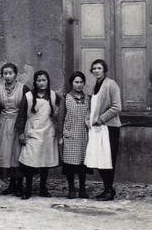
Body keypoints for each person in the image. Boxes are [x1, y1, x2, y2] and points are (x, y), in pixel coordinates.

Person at [17, 70, 60, 199]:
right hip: (32, 132)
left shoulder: (53, 96)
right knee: (30, 162)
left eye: (44, 80)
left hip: (47, 132)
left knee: (44, 162)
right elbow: (21, 116)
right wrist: (20, 133)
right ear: (35, 82)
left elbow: (61, 111)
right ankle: (28, 189)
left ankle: (43, 188)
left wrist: (57, 118)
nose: (41, 83)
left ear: (48, 81)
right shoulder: (28, 96)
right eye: (39, 80)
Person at [84, 59, 122, 201]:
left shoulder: (111, 84)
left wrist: (101, 119)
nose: (96, 70)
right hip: (96, 129)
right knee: (99, 159)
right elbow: (91, 107)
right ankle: (108, 189)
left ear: (104, 70)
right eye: (94, 68)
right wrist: (88, 119)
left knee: (108, 159)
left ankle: (108, 190)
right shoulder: (95, 86)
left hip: (109, 128)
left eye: (99, 68)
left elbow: (117, 107)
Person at [0, 63, 29, 196]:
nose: (7, 76)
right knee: (6, 155)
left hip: (19, 125)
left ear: (16, 74)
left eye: (10, 73)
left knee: (17, 154)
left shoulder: (23, 88)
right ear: (2, 75)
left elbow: (26, 108)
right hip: (4, 125)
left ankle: (20, 184)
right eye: (5, 73)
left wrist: (21, 127)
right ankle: (11, 185)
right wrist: (5, 118)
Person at [58, 71, 90, 199]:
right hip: (70, 134)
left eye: (81, 82)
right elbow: (60, 118)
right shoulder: (65, 98)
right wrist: (60, 136)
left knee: (83, 164)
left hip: (83, 135)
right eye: (76, 82)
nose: (79, 85)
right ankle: (71, 189)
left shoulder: (88, 98)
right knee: (70, 164)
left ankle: (82, 189)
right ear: (71, 83)